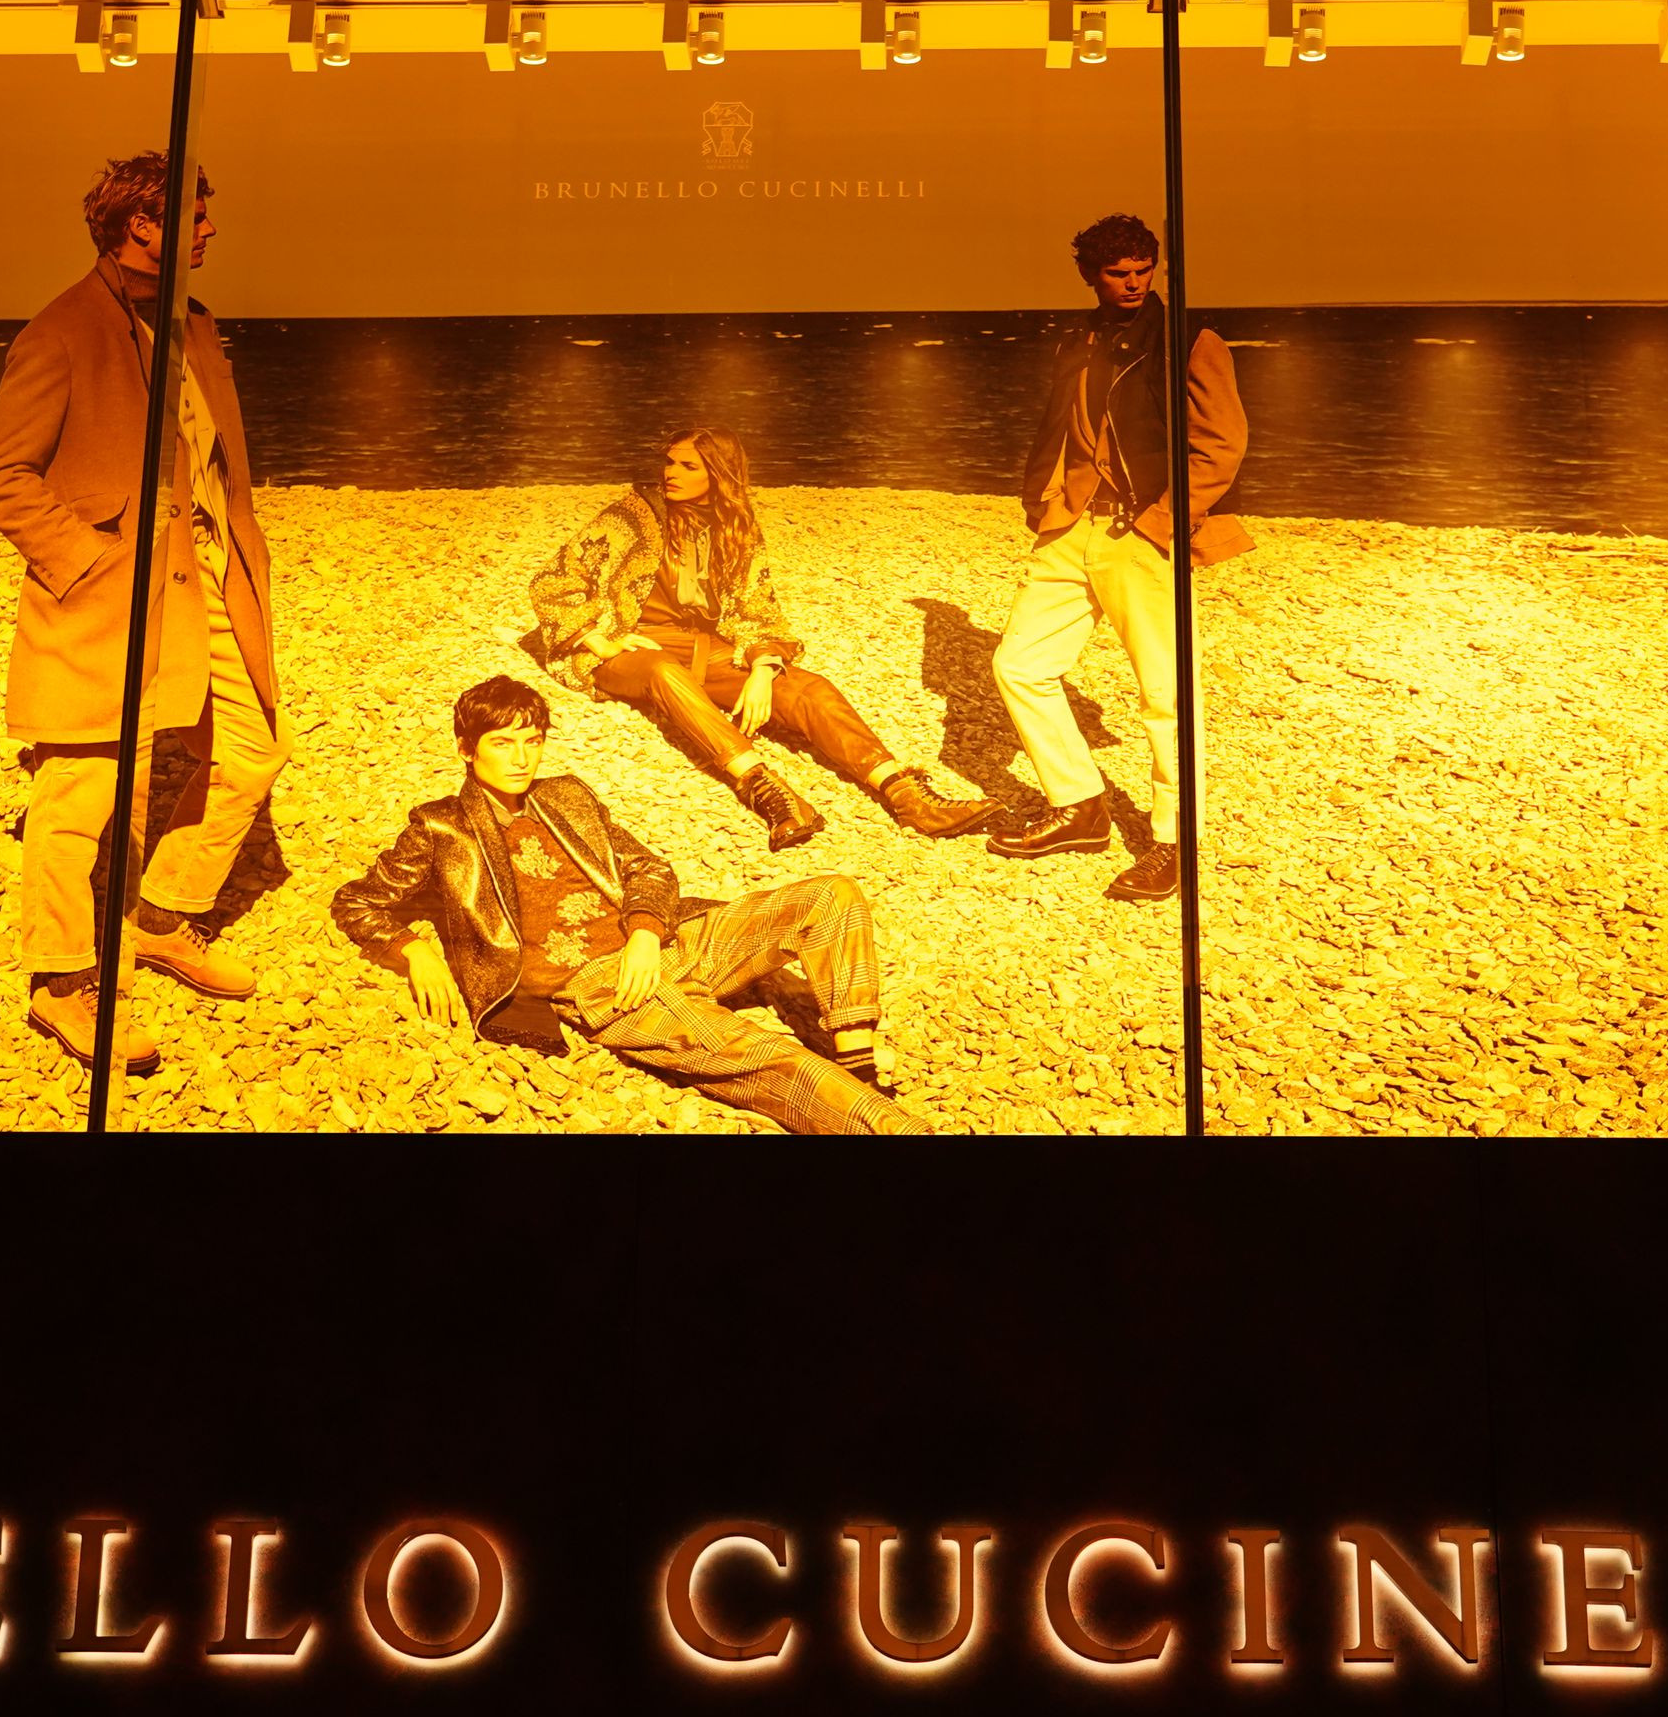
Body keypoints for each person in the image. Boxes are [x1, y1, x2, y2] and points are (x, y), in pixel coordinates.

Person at [0, 152, 291, 1077]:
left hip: (213, 575)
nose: (210, 229)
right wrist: (90, 560)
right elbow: (0, 475)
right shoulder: (62, 330)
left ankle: (161, 916)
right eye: (195, 215)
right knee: (80, 792)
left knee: (254, 749)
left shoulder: (195, 321)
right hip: (110, 593)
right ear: (141, 226)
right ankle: (61, 981)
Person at [331, 677, 929, 1135]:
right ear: (467, 750)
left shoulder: (565, 795)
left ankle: (858, 1065)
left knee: (831, 893)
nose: (521, 759)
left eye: (532, 742)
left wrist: (644, 930)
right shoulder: (440, 827)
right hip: (603, 986)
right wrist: (413, 951)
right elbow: (358, 902)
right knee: (768, 1055)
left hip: (666, 943)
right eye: (502, 744)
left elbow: (648, 867)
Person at [525, 430, 999, 851]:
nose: (671, 473)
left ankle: (905, 794)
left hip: (701, 648)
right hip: (634, 646)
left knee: (807, 688)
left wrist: (763, 667)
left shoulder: (735, 524)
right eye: (669, 462)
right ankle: (764, 788)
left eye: (688, 466)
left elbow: (757, 607)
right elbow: (553, 581)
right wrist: (599, 640)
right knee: (663, 672)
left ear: (719, 473)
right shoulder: (635, 514)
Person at [988, 211, 1250, 902]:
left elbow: (1222, 445)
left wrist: (1163, 520)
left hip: (1143, 530)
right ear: (1090, 275)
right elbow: (1059, 426)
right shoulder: (1077, 337)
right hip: (1072, 525)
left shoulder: (1191, 338)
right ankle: (1080, 806)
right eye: (1117, 272)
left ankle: (1174, 842)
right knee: (1020, 665)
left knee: (1166, 693)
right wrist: (1042, 500)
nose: (1134, 283)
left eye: (1143, 270)